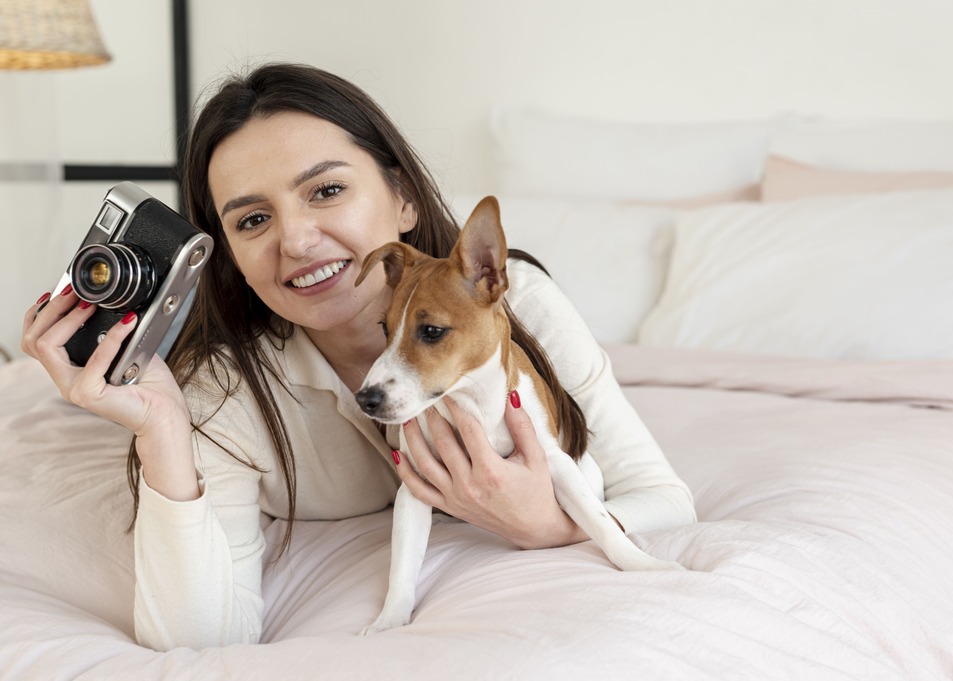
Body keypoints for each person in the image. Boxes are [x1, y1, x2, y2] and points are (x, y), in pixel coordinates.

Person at [21, 63, 696, 651]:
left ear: (403, 198)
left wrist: (547, 524)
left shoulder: (520, 315)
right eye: (253, 220)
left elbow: (664, 499)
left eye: (326, 190)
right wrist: (163, 431)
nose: (297, 240)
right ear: (227, 253)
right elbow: (196, 642)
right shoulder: (224, 397)